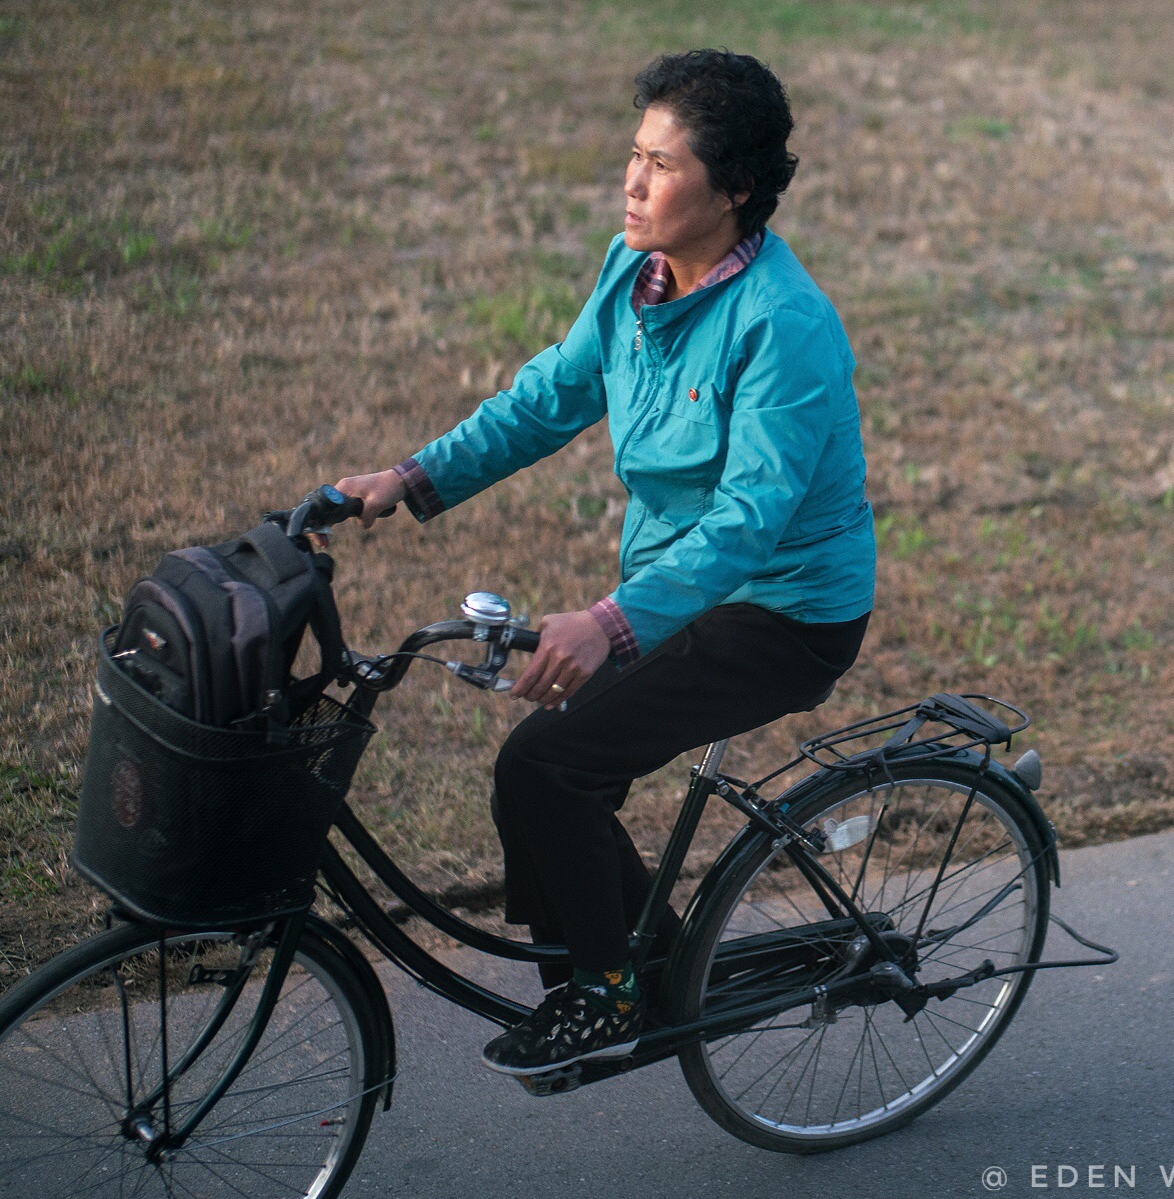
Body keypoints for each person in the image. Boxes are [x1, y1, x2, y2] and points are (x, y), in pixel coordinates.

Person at [329, 48, 876, 1075]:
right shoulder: (636, 276)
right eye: (633, 155)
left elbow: (750, 519)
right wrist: (409, 477)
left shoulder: (784, 326)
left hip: (784, 611)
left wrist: (609, 620)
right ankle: (644, 968)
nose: (631, 182)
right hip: (674, 589)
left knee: (546, 766)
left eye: (661, 166)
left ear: (735, 190)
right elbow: (545, 400)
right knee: (539, 770)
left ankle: (609, 991)